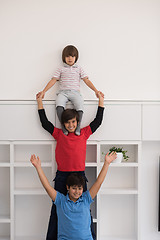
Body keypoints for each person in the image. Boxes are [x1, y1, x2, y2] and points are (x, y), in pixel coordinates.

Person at [36, 91, 104, 240]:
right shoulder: (59, 134)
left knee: (86, 209)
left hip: (80, 175)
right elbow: (45, 123)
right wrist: (40, 103)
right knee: (56, 210)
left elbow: (97, 122)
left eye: (73, 122)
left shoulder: (84, 133)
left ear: (77, 122)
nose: (71, 125)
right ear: (63, 123)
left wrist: (101, 101)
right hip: (62, 176)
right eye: (68, 122)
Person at [30, 151, 117, 240]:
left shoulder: (86, 199)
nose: (77, 192)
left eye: (80, 188)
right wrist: (38, 167)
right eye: (74, 188)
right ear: (68, 187)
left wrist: (107, 163)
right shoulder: (61, 201)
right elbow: (47, 187)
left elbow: (99, 182)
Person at [36, 45, 104, 135]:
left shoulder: (79, 69)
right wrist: (44, 91)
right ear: (64, 58)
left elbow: (86, 80)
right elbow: (53, 80)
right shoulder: (61, 69)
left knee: (80, 105)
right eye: (67, 56)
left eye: (72, 56)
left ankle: (77, 127)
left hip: (75, 93)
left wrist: (96, 91)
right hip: (63, 93)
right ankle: (63, 126)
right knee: (59, 105)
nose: (70, 58)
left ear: (76, 57)